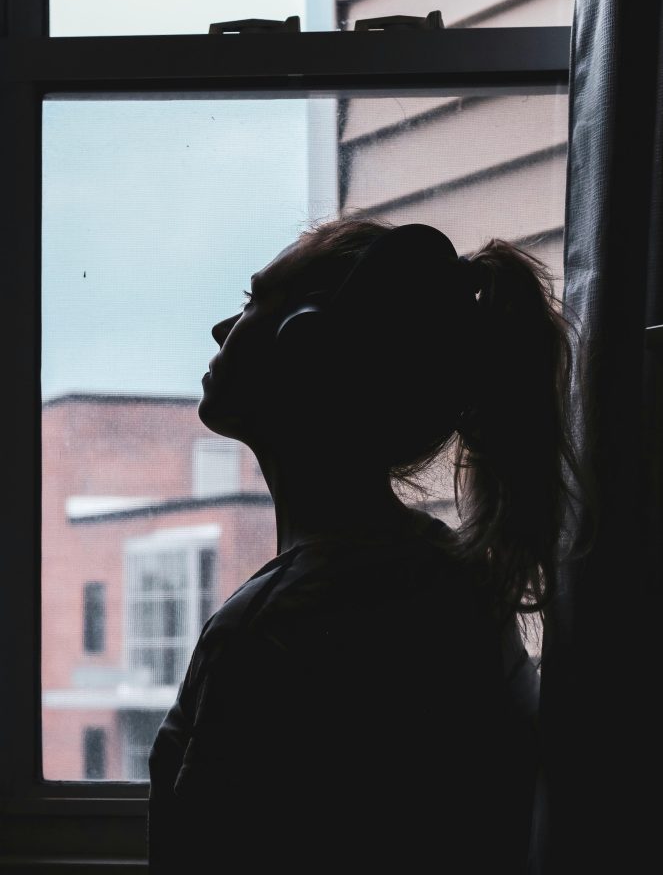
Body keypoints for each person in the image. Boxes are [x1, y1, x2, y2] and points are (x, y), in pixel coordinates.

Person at [147, 217, 586, 873]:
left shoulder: (272, 629)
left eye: (250, 303)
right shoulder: (453, 583)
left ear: (305, 343)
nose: (220, 329)